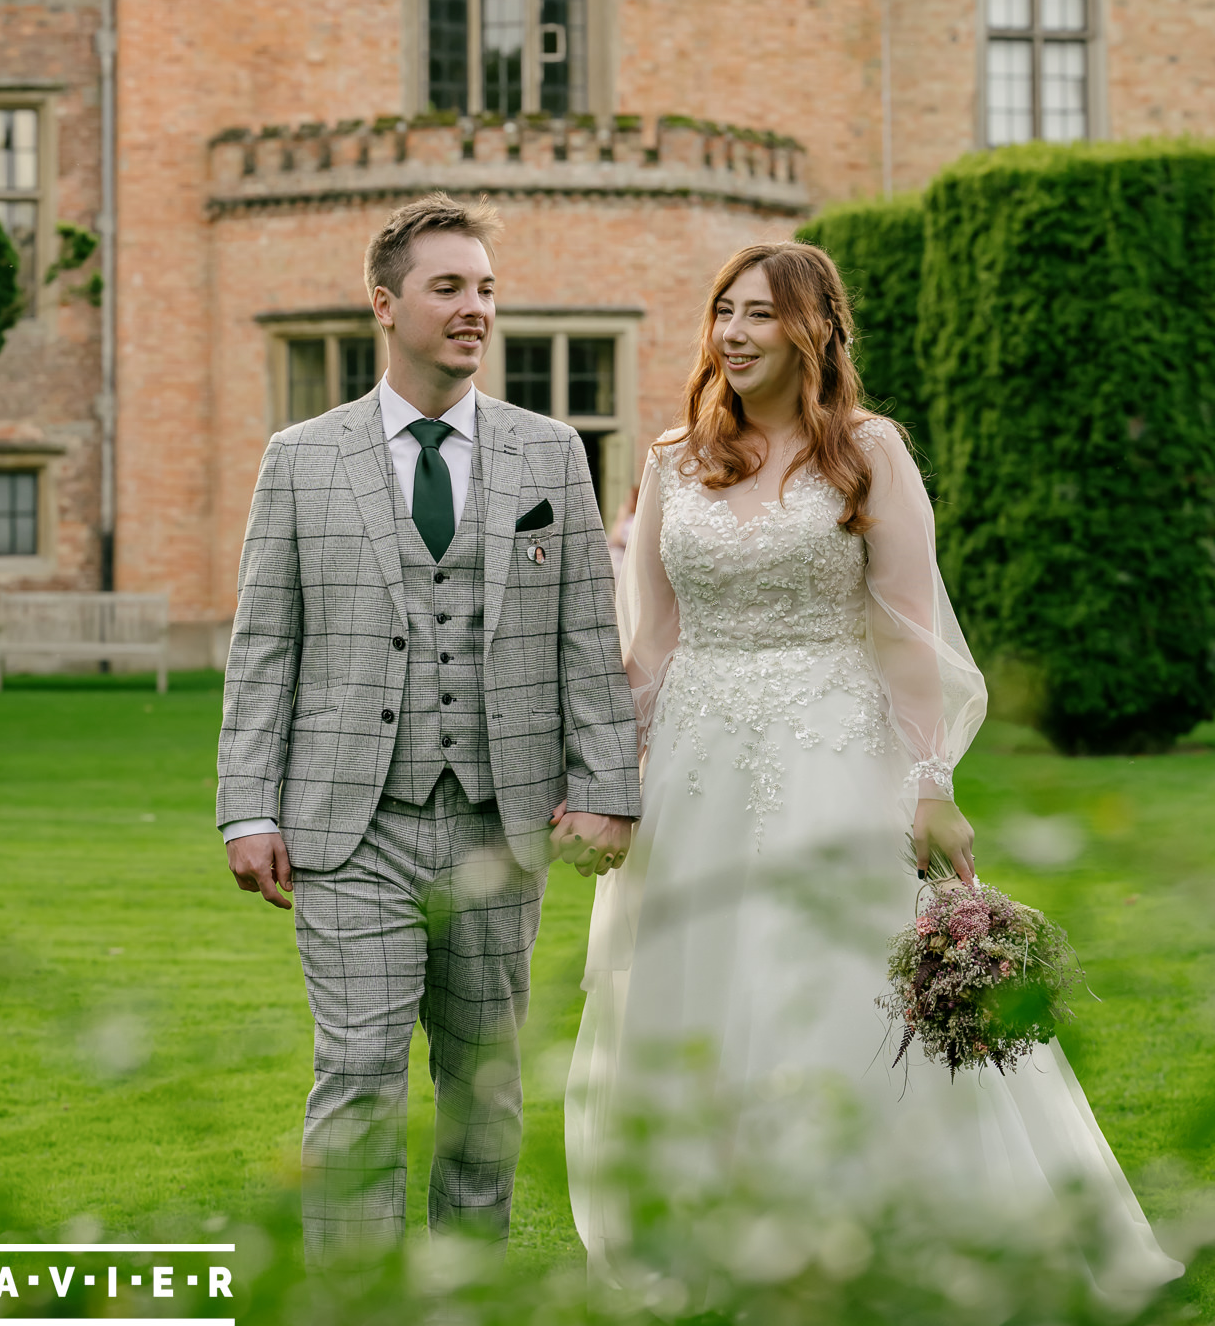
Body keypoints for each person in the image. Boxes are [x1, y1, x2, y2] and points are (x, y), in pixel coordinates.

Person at [565, 240, 1181, 1301]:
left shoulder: (867, 452)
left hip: (832, 750)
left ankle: (901, 1228)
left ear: (814, 330)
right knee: (700, 982)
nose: (735, 333)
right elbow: (651, 642)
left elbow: (902, 629)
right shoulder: (671, 458)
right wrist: (605, 777)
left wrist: (928, 779)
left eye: (761, 313)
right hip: (697, 765)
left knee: (842, 985)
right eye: (723, 311)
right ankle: (723, 1241)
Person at [217, 192, 639, 1259]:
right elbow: (264, 646)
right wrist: (245, 810)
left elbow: (586, 639)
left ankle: (464, 1289)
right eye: (449, 288)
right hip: (347, 826)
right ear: (383, 304)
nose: (474, 310)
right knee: (356, 1072)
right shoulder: (301, 458)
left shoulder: (551, 457)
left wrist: (604, 787)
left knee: (482, 1087)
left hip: (501, 824)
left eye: (486, 290)